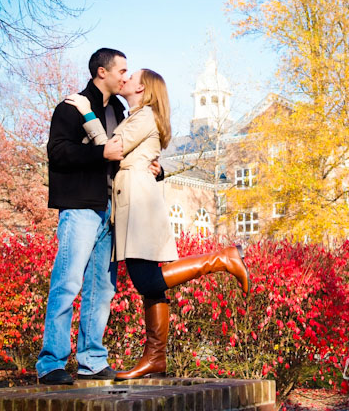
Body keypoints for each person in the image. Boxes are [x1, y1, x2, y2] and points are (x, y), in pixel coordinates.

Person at [64, 68, 249, 380]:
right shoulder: (140, 115)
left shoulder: (144, 116)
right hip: (137, 198)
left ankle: (221, 259)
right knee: (151, 286)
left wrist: (86, 114)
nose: (125, 78)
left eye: (131, 76)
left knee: (147, 280)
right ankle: (156, 358)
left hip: (137, 203)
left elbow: (113, 150)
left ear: (143, 88)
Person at [37, 48, 162, 385]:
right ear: (101, 72)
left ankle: (92, 359)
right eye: (122, 70)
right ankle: (51, 363)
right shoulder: (71, 106)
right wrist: (98, 153)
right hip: (80, 207)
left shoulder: (119, 111)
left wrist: (157, 168)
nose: (126, 76)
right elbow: (58, 152)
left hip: (111, 212)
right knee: (67, 283)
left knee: (102, 289)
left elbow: (130, 152)